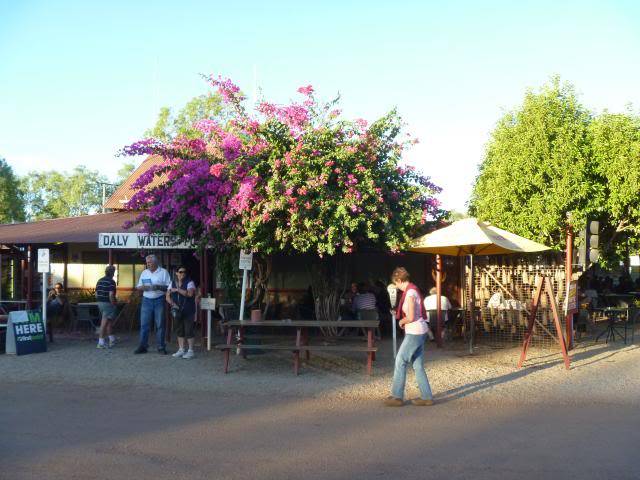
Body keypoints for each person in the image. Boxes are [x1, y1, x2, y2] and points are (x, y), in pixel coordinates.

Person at [384, 267, 434, 407]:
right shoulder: (413, 290)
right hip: (420, 330)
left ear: (399, 280)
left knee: (400, 360)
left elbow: (411, 317)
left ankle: (396, 396)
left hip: (414, 331)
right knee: (417, 365)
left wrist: (401, 321)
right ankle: (426, 397)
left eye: (397, 283)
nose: (397, 287)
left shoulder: (410, 293)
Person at [134, 254, 171, 354]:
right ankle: (143, 346)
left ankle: (161, 347)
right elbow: (138, 286)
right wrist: (143, 288)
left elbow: (169, 287)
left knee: (160, 324)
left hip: (159, 299)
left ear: (155, 262)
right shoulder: (144, 272)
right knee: (144, 324)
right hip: (146, 300)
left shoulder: (163, 272)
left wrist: (158, 287)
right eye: (147, 263)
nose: (148, 264)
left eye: (150, 263)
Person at [166, 266, 197, 359]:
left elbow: (190, 294)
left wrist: (178, 290)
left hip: (188, 310)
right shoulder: (172, 283)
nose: (182, 273)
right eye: (180, 272)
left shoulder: (190, 282)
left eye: (184, 272)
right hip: (177, 311)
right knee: (179, 330)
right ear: (176, 273)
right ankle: (181, 349)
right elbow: (167, 296)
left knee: (189, 330)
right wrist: (172, 304)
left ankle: (191, 350)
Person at [95, 265, 118, 349]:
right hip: (108, 303)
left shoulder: (99, 280)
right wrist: (114, 303)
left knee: (108, 321)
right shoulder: (111, 282)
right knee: (104, 323)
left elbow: (96, 294)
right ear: (113, 272)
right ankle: (101, 342)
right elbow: (111, 295)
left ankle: (112, 339)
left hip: (100, 303)